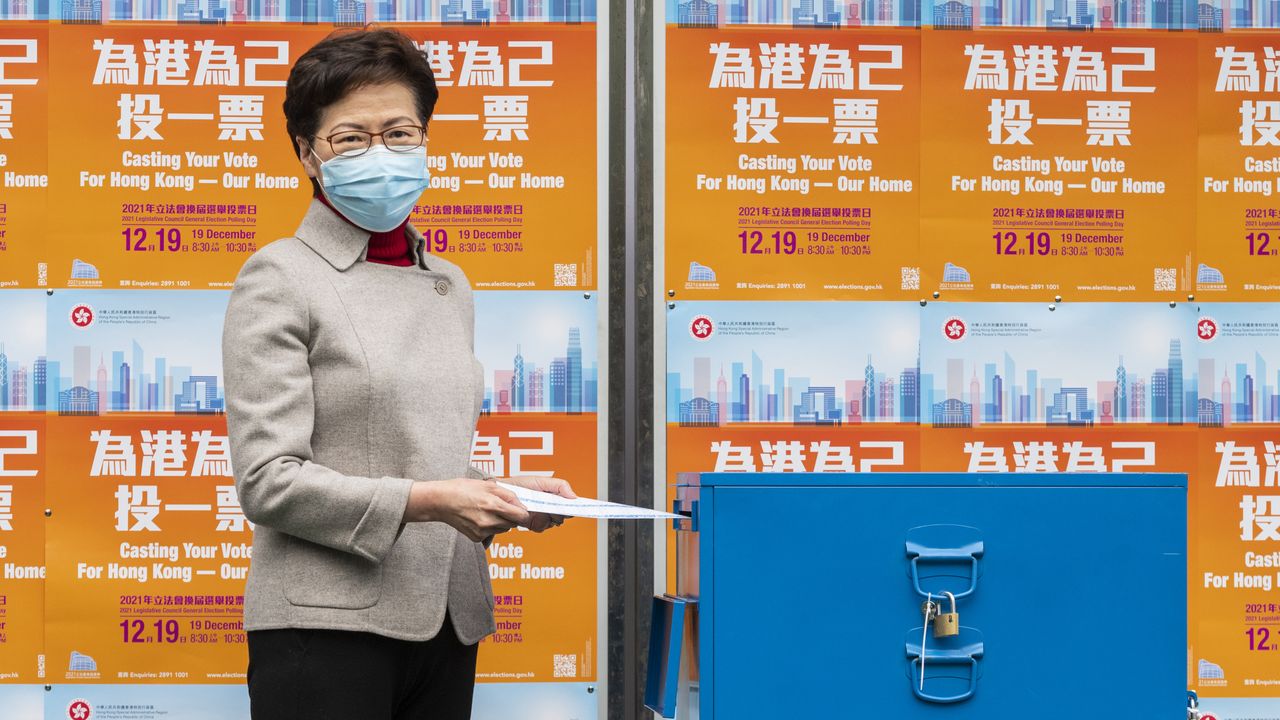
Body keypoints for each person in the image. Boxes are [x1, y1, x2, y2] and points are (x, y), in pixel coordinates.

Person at [221, 27, 574, 720]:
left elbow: (416, 459)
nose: (380, 154)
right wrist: (437, 500)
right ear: (308, 154)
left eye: (400, 133)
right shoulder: (280, 276)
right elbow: (270, 482)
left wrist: (497, 495)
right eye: (352, 138)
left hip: (445, 618)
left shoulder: (449, 282)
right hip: (325, 628)